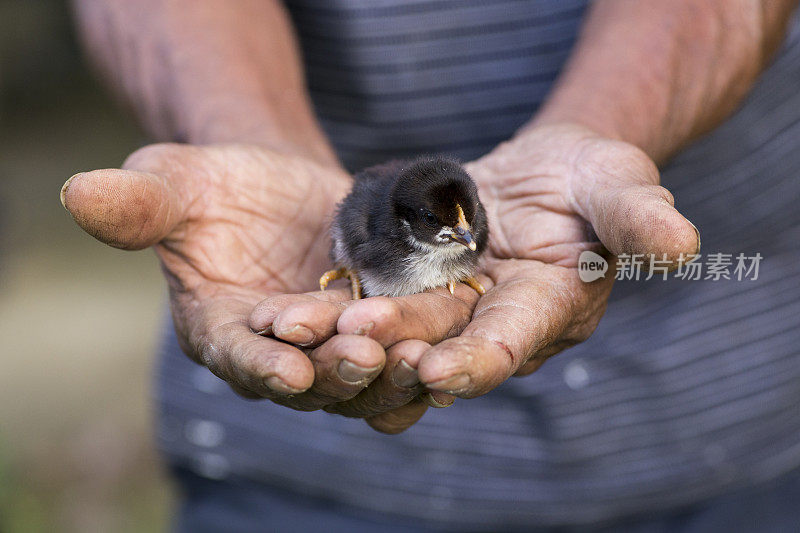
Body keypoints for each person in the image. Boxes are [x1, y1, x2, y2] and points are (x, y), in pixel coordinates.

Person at [62, 0, 800, 531]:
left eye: (466, 230)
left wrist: (598, 132)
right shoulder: (374, 228)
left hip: (729, 416)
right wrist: (243, 135)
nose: (463, 239)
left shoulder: (455, 229)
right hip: (303, 479)